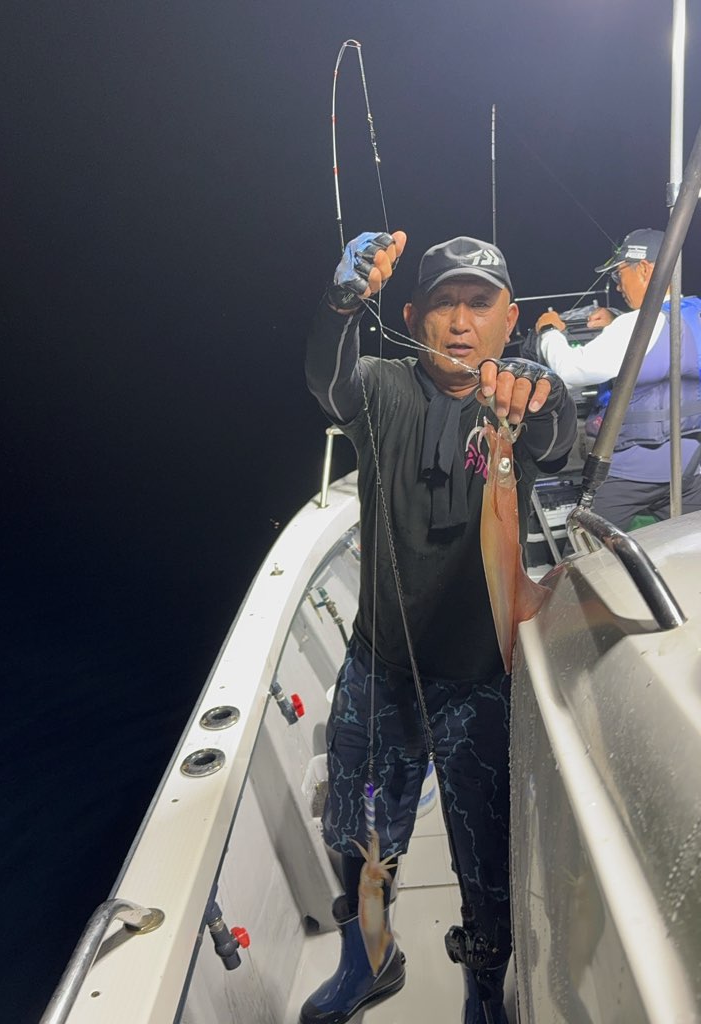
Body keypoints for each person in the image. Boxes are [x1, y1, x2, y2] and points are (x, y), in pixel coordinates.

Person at [302, 231, 577, 1024]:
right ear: (412, 315)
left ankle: (486, 993)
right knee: (359, 832)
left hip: (480, 686)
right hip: (380, 671)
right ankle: (370, 959)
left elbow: (557, 440)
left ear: (510, 318)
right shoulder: (382, 389)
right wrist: (339, 306)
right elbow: (328, 382)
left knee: (487, 861)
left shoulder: (513, 402)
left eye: (479, 303)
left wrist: (545, 394)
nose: (460, 322)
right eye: (444, 303)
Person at [535, 228, 701, 530]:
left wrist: (549, 332)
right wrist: (614, 317)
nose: (618, 285)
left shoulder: (637, 324)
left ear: (645, 269)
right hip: (690, 468)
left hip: (630, 472)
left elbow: (570, 371)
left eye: (619, 273)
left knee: (587, 543)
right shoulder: (695, 311)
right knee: (688, 546)